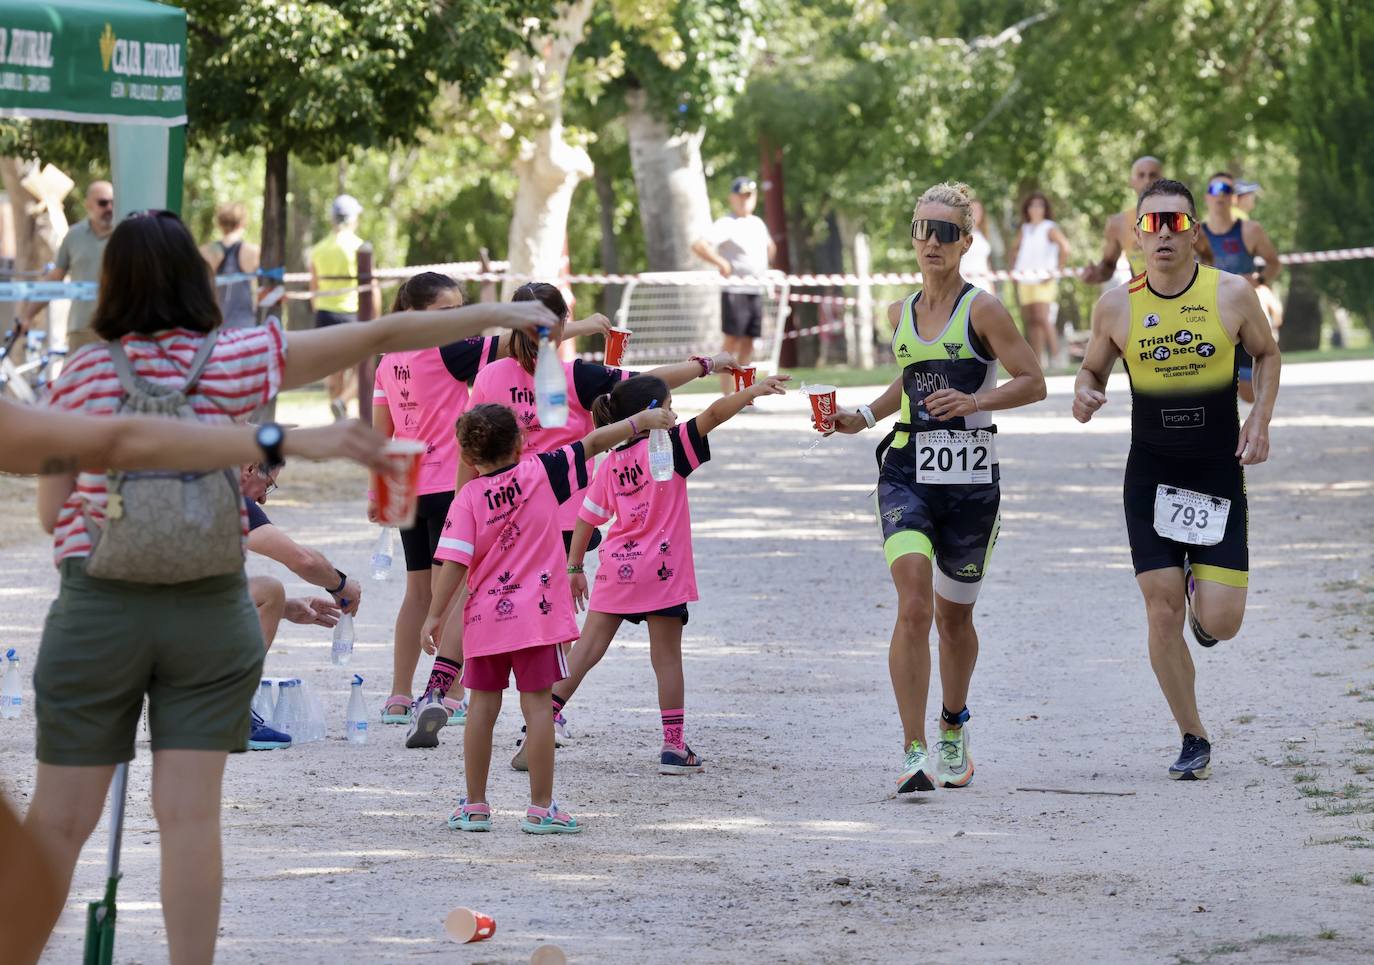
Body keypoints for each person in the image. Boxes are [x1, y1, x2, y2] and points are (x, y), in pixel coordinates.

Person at [26, 208, 549, 965]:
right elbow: (376, 335)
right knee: (189, 817)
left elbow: (51, 514)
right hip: (206, 605)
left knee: (59, 818)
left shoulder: (80, 376)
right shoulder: (235, 358)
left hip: (98, 603)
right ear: (196, 281)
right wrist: (499, 312)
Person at [0, 395, 388, 965]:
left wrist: (292, 608)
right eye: (268, 486)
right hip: (143, 625)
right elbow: (297, 558)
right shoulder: (217, 477)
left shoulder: (131, 434)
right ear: (251, 466)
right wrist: (342, 583)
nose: (265, 497)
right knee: (184, 817)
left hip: (100, 616)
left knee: (61, 819)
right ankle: (230, 709)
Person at [405, 281, 734, 750]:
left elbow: (468, 447)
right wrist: (707, 364)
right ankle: (545, 714)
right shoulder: (575, 376)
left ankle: (438, 688)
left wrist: (465, 504)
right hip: (556, 512)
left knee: (477, 594)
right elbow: (649, 384)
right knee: (549, 610)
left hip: (494, 507)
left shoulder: (491, 376)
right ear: (561, 326)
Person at [828, 182, 1046, 794]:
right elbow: (909, 378)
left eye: (945, 232)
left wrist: (975, 399)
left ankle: (953, 724)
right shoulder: (898, 312)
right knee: (914, 603)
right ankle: (912, 749)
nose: (931, 242)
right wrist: (864, 417)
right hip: (906, 475)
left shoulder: (984, 311)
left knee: (954, 621)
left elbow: (1034, 381)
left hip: (972, 484)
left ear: (966, 243)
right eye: (922, 229)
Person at [1073, 178, 1280, 781]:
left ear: (1194, 232)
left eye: (1176, 222)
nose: (1164, 233)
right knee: (1158, 610)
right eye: (1152, 223)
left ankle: (1202, 602)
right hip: (1153, 473)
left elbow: (1266, 355)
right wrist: (1086, 392)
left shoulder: (1234, 294)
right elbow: (1091, 368)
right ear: (1136, 233)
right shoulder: (1115, 305)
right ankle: (1193, 736)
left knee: (1222, 622)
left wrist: (1259, 420)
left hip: (1216, 470)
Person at [369, 273, 612, 730]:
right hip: (447, 483)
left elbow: (381, 432)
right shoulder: (448, 350)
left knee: (417, 592)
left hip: (405, 484)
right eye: (447, 312)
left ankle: (399, 694)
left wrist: (378, 491)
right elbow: (520, 345)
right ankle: (450, 692)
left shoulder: (388, 359)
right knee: (458, 591)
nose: (457, 320)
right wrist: (579, 326)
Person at [421, 401, 677, 834]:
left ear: (466, 457)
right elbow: (594, 441)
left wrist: (433, 615)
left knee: (482, 707)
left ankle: (476, 806)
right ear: (521, 442)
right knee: (538, 707)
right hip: (537, 618)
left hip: (485, 618)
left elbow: (455, 565)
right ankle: (541, 808)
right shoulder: (541, 471)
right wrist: (642, 422)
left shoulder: (465, 499)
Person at [538, 371, 789, 776]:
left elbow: (586, 517)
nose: (675, 415)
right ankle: (673, 747)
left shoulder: (612, 461)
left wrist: (574, 566)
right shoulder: (671, 447)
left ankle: (540, 721)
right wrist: (748, 393)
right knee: (667, 658)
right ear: (655, 413)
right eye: (670, 407)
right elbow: (713, 414)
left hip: (618, 567)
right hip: (663, 571)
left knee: (585, 650)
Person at [1202, 172, 1282, 403]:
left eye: (1227, 190)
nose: (1220, 195)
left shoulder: (1250, 231)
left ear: (1234, 198)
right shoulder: (1194, 234)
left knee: (1248, 394)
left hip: (1242, 316)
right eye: (1215, 189)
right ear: (1206, 196)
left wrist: (1260, 281)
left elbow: (1274, 263)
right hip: (1206, 316)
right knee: (1207, 389)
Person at [691, 176, 776, 394]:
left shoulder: (758, 223)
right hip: (735, 290)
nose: (745, 200)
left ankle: (745, 394)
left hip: (755, 289)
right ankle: (727, 394)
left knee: (748, 343)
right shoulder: (727, 223)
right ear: (732, 198)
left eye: (749, 195)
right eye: (741, 196)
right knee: (731, 342)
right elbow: (699, 245)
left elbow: (770, 248)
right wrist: (721, 262)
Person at [1083, 157, 1214, 288]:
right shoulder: (1118, 223)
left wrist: (1204, 289)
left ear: (1163, 179)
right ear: (1131, 182)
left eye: (1153, 175)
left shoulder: (1182, 217)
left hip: (1186, 299)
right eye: (1141, 175)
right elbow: (1108, 266)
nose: (1147, 180)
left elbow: (1207, 256)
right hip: (1144, 300)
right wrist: (1096, 274)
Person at [21, 180, 115, 352]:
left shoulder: (124, 235)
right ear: (88, 205)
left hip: (118, 328)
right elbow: (55, 279)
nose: (109, 208)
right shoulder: (74, 236)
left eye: (112, 203)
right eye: (103, 203)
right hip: (82, 329)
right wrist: (28, 315)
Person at [309, 194, 368, 419]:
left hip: (325, 313)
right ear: (352, 219)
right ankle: (343, 402)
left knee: (333, 369)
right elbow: (368, 286)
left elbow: (313, 287)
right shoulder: (359, 247)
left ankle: (337, 414)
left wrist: (320, 308)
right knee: (363, 367)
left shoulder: (318, 249)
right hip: (351, 312)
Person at [1008, 191, 1071, 366]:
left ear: (1045, 209)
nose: (1036, 209)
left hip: (1044, 279)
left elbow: (1065, 247)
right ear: (1027, 209)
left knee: (1044, 319)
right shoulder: (1025, 229)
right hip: (1024, 279)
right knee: (1032, 321)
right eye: (1032, 205)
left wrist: (1055, 272)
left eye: (1039, 205)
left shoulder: (1049, 227)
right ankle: (1038, 361)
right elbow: (1014, 250)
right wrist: (1013, 270)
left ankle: (1058, 358)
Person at [199, 202, 261, 329]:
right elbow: (264, 291)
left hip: (214, 326)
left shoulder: (205, 252)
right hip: (244, 326)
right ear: (242, 223)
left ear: (220, 224)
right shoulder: (253, 251)